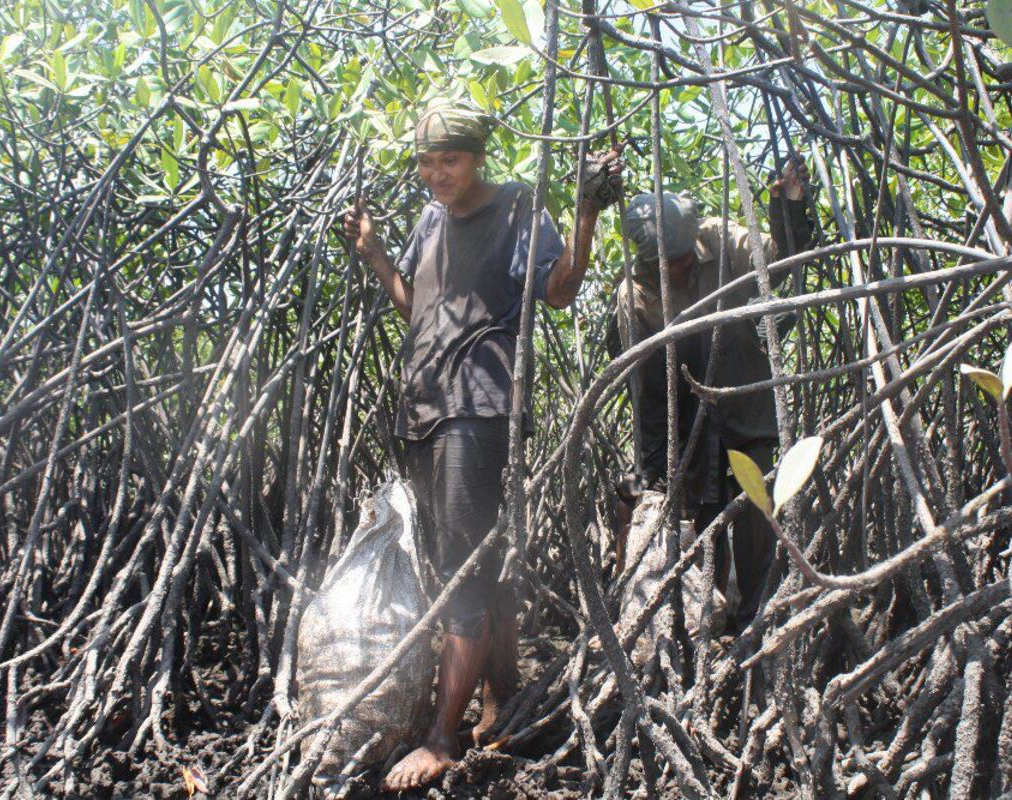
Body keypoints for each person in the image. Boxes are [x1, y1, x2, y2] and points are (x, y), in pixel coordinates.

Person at [343, 100, 623, 791]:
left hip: (480, 404)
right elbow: (419, 307)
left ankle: (442, 737)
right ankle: (502, 700)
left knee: (463, 570)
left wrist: (585, 214)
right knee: (474, 564)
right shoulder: (431, 219)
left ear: (478, 159)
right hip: (427, 404)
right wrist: (376, 254)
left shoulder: (518, 209)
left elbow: (557, 293)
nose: (437, 174)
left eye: (451, 160)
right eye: (427, 162)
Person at [608, 159, 813, 630]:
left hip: (746, 408)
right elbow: (646, 391)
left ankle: (754, 624)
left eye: (682, 259)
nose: (680, 268)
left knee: (761, 515)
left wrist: (789, 205)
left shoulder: (719, 238)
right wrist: (656, 465)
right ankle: (707, 624)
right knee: (703, 525)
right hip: (685, 424)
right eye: (667, 264)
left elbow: (778, 262)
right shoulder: (634, 295)